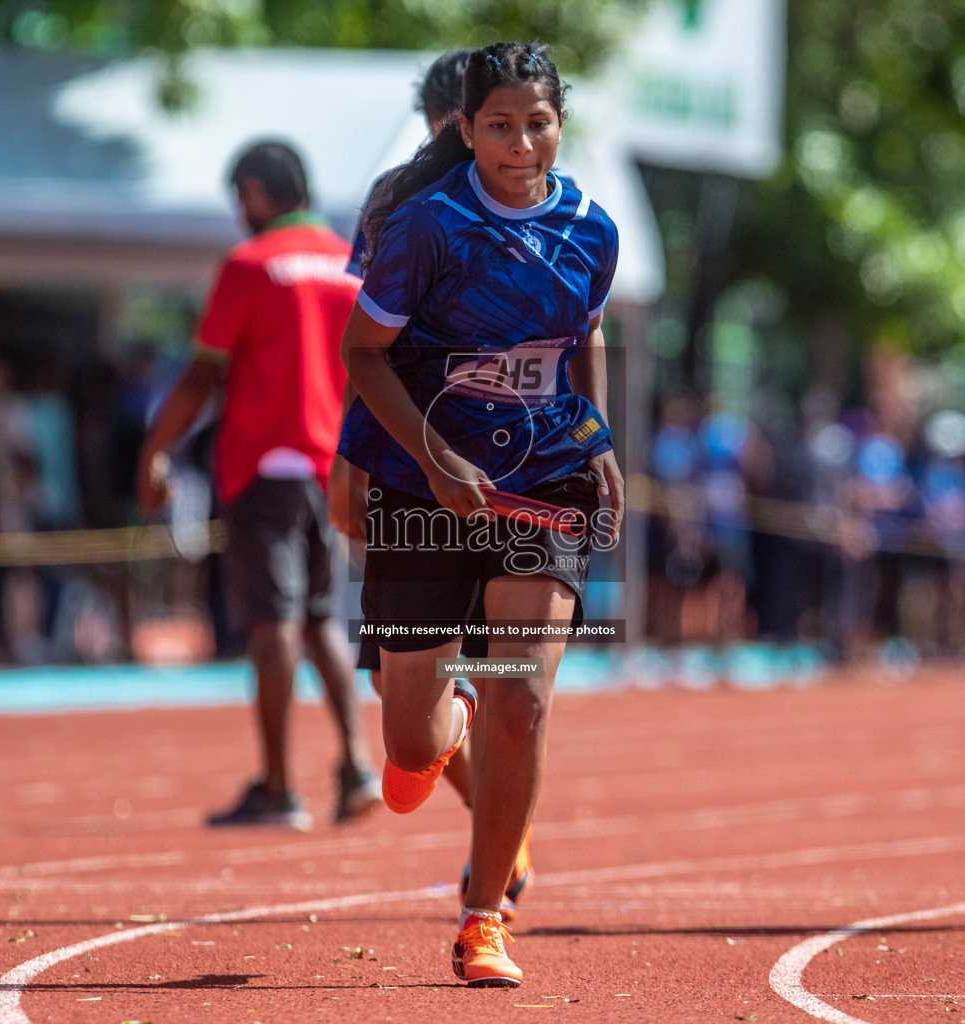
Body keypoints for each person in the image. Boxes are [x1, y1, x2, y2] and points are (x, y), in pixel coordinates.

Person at [338, 41, 623, 987]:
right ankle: (445, 715)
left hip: (543, 483)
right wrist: (425, 457)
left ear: (559, 124)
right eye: (498, 123)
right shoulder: (423, 225)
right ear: (466, 130)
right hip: (425, 486)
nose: (519, 140)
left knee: (524, 695)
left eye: (536, 121)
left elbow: (577, 345)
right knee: (410, 745)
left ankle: (483, 915)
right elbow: (363, 354)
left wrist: (600, 442)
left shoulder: (592, 229)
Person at [328, 46, 535, 921]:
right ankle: (488, 805)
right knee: (401, 703)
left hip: (513, 470)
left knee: (516, 684)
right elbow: (365, 342)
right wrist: (351, 459)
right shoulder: (398, 205)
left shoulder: (545, 209)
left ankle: (493, 860)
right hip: (408, 464)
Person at [138, 140, 382, 830]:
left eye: (239, 199)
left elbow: (200, 375)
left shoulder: (249, 266)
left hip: (263, 466)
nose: (238, 213)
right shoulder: (349, 265)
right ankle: (357, 765)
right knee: (319, 620)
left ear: (256, 190)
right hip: (328, 467)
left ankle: (278, 786)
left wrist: (153, 452)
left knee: (272, 622)